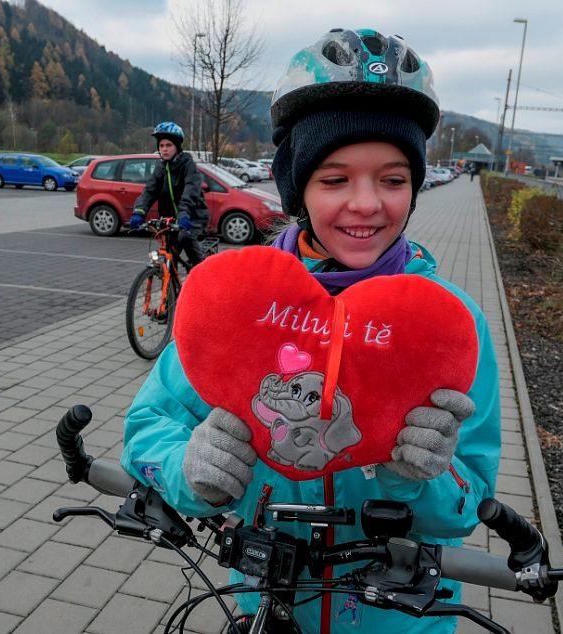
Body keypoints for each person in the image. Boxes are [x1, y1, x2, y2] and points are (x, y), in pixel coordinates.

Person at [121, 28, 500, 634]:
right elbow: (147, 428)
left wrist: (418, 480)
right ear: (298, 186)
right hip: (268, 607)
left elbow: (469, 502)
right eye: (334, 179)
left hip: (400, 620)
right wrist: (186, 469)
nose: (366, 204)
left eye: (393, 179)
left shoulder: (450, 326)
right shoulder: (240, 305)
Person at [129, 121, 210, 267]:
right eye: (161, 146)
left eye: (169, 145)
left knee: (185, 238)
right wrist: (139, 211)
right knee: (169, 255)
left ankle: (202, 271)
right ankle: (171, 279)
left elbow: (191, 190)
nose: (164, 149)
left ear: (177, 146)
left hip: (192, 215)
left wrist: (184, 213)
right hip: (171, 219)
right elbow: (150, 190)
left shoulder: (188, 164)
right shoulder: (161, 167)